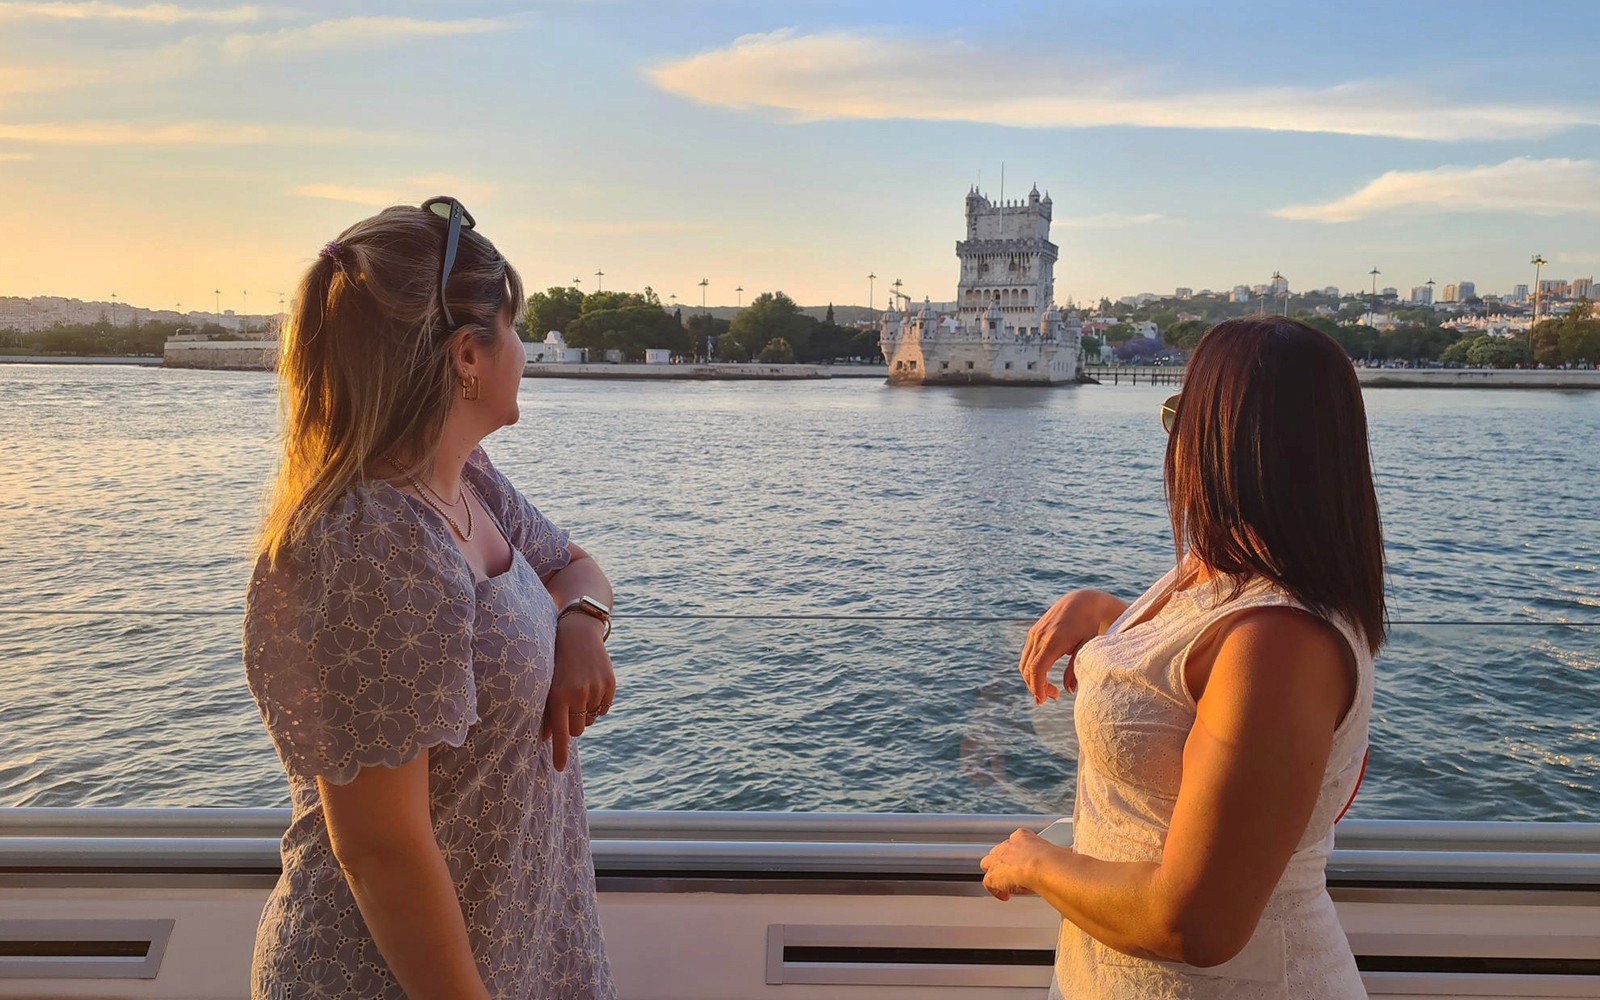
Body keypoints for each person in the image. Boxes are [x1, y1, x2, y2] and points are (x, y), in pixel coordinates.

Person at [243, 197, 617, 999]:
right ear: (467, 356)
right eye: (512, 329)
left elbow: (574, 565)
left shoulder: (465, 483)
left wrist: (581, 628)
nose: (523, 350)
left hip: (510, 940)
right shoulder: (372, 542)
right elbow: (380, 847)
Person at [981, 317, 1384, 998]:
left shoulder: (1280, 641)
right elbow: (1188, 680)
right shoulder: (1217, 572)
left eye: (1178, 414)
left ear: (1222, 441)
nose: (1170, 441)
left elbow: (1195, 924)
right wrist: (1106, 615)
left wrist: (1037, 865)